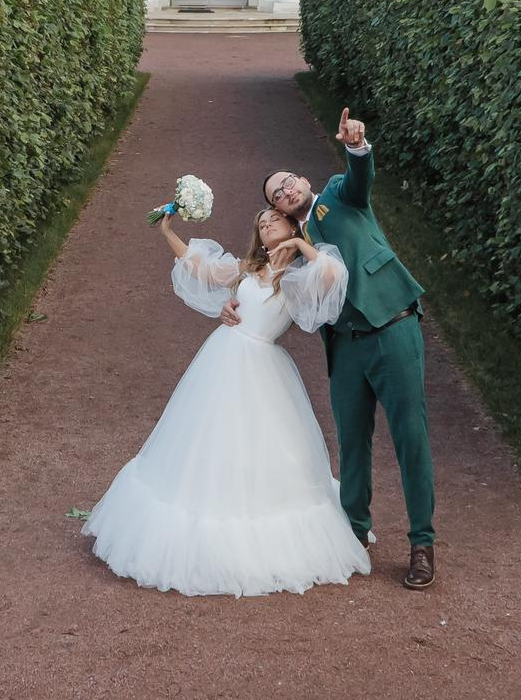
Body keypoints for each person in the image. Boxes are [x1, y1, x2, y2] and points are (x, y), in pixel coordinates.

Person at [83, 208, 370, 597]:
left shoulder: (297, 278)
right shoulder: (246, 268)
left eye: (274, 219)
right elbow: (198, 266)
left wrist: (302, 243)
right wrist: (168, 229)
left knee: (263, 445)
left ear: (290, 226)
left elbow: (334, 276)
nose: (266, 224)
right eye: (261, 222)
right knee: (207, 436)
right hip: (223, 356)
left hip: (263, 365)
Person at [244, 107, 437, 591]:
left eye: (286, 182)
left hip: (392, 326)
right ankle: (353, 531)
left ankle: (421, 542)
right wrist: (234, 313)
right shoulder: (290, 241)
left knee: (409, 435)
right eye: (275, 196)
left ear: (303, 181)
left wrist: (356, 145)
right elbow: (262, 286)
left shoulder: (337, 194)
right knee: (352, 443)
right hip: (345, 346)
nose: (285, 191)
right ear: (279, 212)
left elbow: (360, 175)